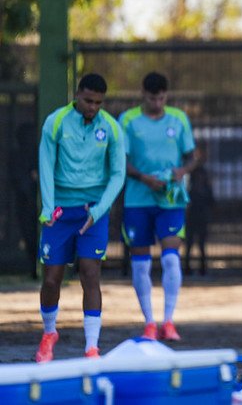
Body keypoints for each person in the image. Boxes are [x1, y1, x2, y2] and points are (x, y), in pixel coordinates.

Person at [35, 73, 126, 362]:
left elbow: (118, 174)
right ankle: (49, 333)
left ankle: (92, 346)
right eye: (88, 100)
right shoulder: (56, 121)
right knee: (51, 279)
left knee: (90, 273)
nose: (93, 107)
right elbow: (46, 166)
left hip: (92, 211)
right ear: (77, 94)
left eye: (98, 103)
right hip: (61, 210)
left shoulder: (111, 127)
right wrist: (48, 208)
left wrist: (100, 210)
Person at [119, 72, 198, 342]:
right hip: (137, 199)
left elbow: (191, 155)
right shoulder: (128, 120)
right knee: (140, 263)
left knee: (170, 256)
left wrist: (182, 170)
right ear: (144, 94)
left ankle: (168, 320)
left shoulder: (178, 118)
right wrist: (143, 177)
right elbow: (121, 159)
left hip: (171, 199)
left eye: (162, 97)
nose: (158, 102)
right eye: (153, 97)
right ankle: (149, 322)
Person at [10, 122, 39, 279]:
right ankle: (33, 269)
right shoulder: (16, 155)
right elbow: (18, 180)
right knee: (28, 235)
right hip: (24, 203)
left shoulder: (37, 152)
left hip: (41, 203)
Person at [185, 144, 214, 276]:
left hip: (201, 209)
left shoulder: (204, 171)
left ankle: (202, 268)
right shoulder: (189, 172)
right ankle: (187, 267)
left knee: (201, 242)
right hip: (191, 210)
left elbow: (209, 192)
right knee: (189, 241)